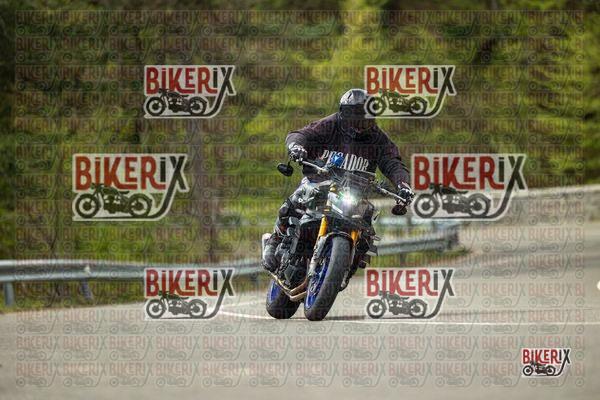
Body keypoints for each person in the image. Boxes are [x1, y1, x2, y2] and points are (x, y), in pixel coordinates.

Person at [262, 88, 415, 272]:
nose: (359, 123)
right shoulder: (329, 125)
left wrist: (403, 185)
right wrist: (296, 147)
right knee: (298, 198)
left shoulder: (378, 139)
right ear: (343, 113)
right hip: (319, 182)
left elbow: (393, 164)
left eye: (364, 118)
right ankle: (274, 240)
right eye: (354, 117)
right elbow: (301, 134)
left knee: (367, 229)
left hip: (354, 194)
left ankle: (348, 265)